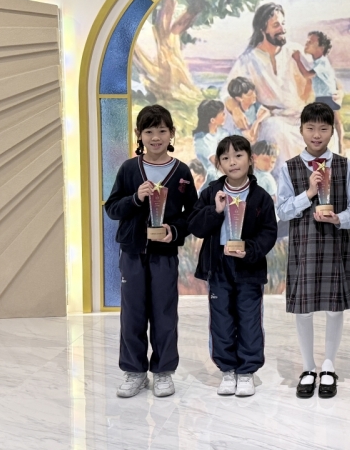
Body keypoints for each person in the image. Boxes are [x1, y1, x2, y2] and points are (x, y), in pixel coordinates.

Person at [105, 104, 197, 399]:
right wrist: (135, 197)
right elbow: (112, 208)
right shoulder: (129, 169)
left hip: (164, 255)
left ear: (171, 133)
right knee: (132, 313)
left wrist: (175, 230)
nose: (155, 137)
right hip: (132, 253)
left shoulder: (181, 173)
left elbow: (193, 215)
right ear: (139, 135)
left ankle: (163, 372)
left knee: (164, 313)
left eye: (161, 130)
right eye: (149, 131)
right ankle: (134, 372)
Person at [276, 102, 350, 399]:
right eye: (311, 128)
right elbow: (283, 211)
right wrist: (309, 194)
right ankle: (308, 367)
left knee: (334, 307)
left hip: (335, 244)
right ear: (301, 130)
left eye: (323, 129)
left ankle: (328, 365)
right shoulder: (289, 167)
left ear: (331, 132)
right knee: (303, 308)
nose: (317, 134)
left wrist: (339, 219)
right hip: (304, 247)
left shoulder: (344, 165)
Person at [188, 135, 277, 397]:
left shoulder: (260, 197)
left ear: (250, 159)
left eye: (238, 155)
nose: (232, 162)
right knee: (221, 319)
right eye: (225, 157)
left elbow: (268, 233)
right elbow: (195, 226)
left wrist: (250, 250)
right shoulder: (211, 193)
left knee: (249, 319)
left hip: (249, 267)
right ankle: (227, 370)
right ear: (219, 163)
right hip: (218, 265)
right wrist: (214, 211)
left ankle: (246, 371)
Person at [222, 3, 309, 170]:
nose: (282, 29)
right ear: (263, 29)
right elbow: (226, 92)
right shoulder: (248, 60)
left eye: (283, 24)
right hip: (271, 119)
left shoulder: (295, 51)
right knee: (277, 131)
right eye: (276, 25)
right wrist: (235, 108)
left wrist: (338, 93)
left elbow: (324, 78)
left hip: (300, 117)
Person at [292, 31, 345, 153]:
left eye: (311, 42)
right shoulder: (316, 63)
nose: (306, 44)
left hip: (328, 97)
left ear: (320, 48)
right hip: (321, 97)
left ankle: (340, 146)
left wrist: (297, 60)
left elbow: (307, 75)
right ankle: (336, 146)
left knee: (333, 122)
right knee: (331, 122)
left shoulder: (322, 62)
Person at [193, 99, 232, 185]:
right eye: (222, 114)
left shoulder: (224, 133)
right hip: (214, 180)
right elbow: (216, 163)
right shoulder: (201, 140)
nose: (225, 115)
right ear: (212, 120)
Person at [223, 76, 270, 142]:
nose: (254, 95)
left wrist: (256, 123)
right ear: (239, 98)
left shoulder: (255, 106)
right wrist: (243, 134)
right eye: (250, 94)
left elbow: (267, 112)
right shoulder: (233, 112)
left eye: (254, 92)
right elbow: (228, 130)